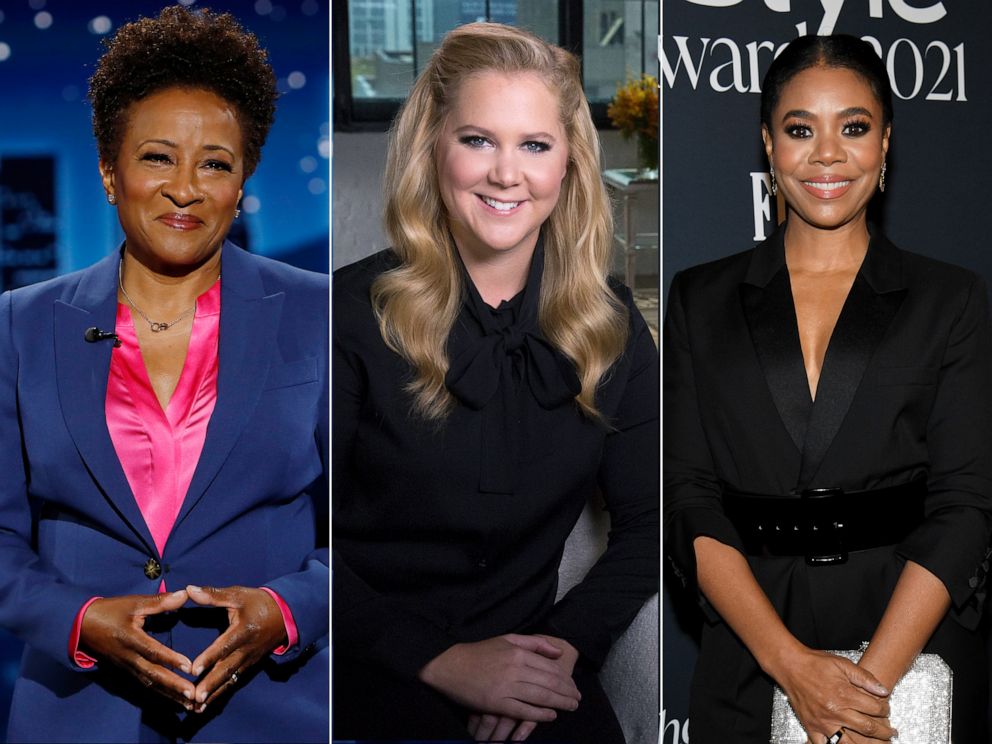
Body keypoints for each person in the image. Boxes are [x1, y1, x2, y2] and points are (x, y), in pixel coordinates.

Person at [0, 7, 328, 742]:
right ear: (110, 173)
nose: (186, 189)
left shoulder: (322, 315)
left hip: (274, 714)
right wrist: (79, 620)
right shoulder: (16, 325)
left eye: (215, 163)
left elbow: (376, 525)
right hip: (77, 718)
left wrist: (292, 606)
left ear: (241, 184)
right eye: (156, 158)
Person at [333, 21, 659, 743]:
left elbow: (653, 523)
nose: (506, 173)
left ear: (569, 162)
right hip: (365, 664)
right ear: (433, 148)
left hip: (533, 666)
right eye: (478, 140)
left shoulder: (612, 325)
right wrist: (438, 661)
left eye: (534, 145)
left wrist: (559, 653)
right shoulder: (346, 317)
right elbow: (296, 539)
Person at [664, 33, 992, 743]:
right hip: (754, 645)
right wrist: (791, 666)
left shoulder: (951, 299)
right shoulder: (699, 298)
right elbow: (690, 498)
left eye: (853, 127)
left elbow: (965, 505)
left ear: (885, 142)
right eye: (799, 129)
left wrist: (867, 692)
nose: (827, 155)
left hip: (909, 643)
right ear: (768, 142)